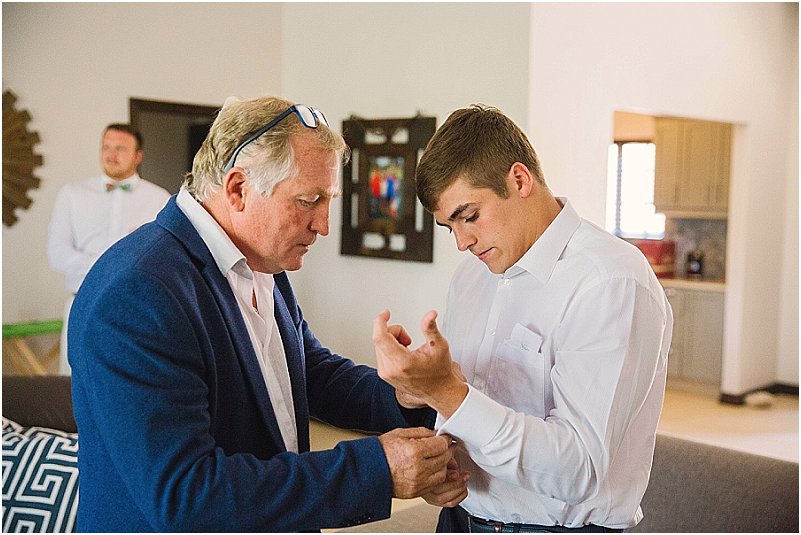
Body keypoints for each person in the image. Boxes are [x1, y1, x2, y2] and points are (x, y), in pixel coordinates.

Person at [68, 95, 466, 532]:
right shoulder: (138, 292)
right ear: (238, 189)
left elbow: (308, 373)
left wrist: (405, 393)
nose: (324, 225)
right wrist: (375, 470)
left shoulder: (259, 260)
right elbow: (187, 494)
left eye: (328, 199)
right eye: (309, 200)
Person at [373, 104, 673, 532]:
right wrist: (445, 466)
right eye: (449, 227)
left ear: (519, 179)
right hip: (461, 520)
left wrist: (447, 391)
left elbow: (577, 470)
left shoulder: (611, 282)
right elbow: (471, 411)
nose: (461, 242)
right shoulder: (470, 276)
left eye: (469, 216)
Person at [47, 124, 170, 374]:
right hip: (82, 302)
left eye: (121, 148)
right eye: (106, 147)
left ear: (138, 156)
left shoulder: (159, 199)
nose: (111, 154)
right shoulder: (72, 195)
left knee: (131, 380)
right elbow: (57, 253)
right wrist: (111, 265)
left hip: (137, 309)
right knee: (75, 381)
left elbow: (163, 256)